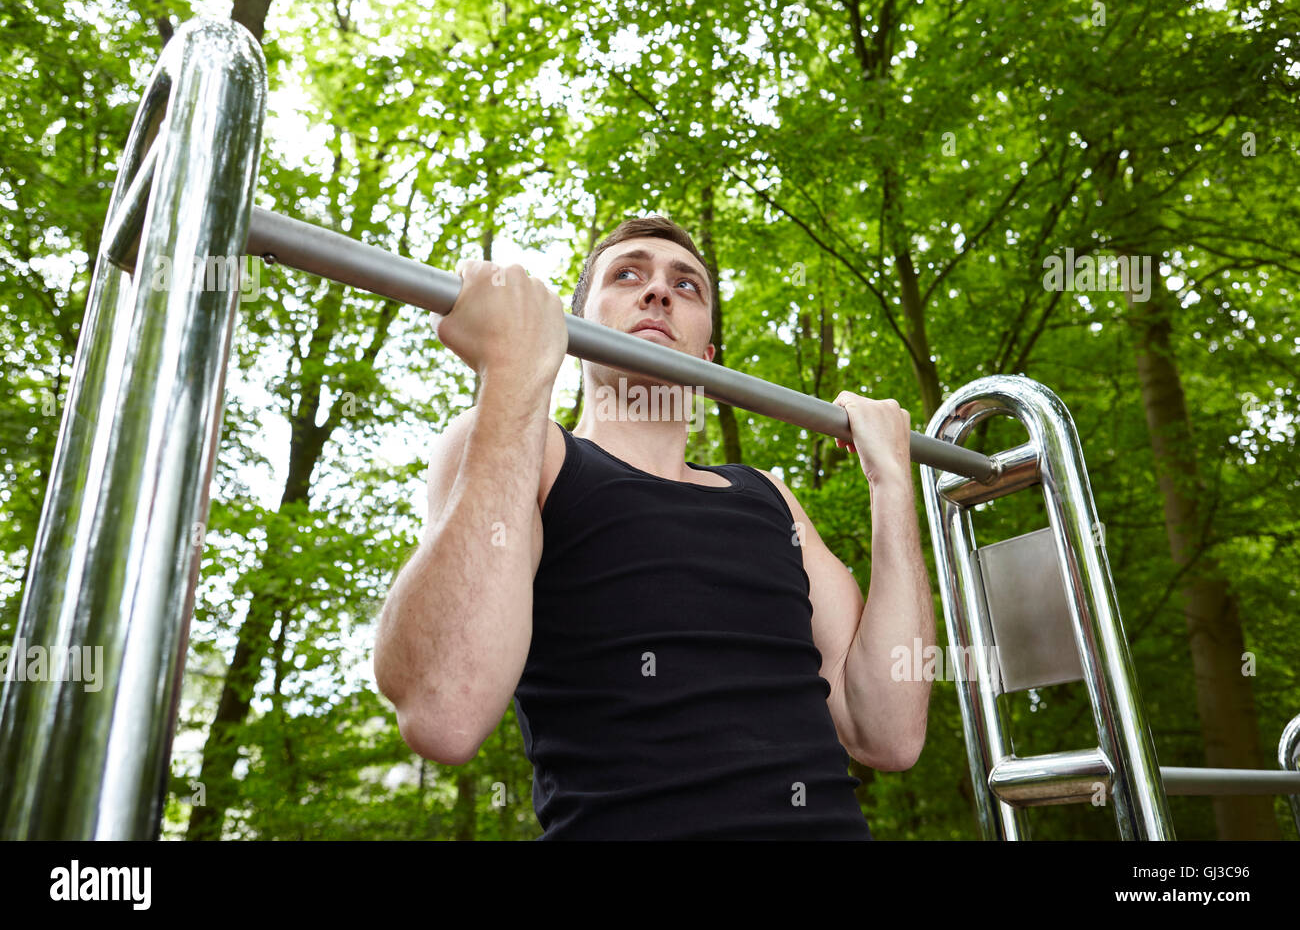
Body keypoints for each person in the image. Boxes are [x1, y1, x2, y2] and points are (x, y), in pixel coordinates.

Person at [373, 216, 936, 839]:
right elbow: (441, 709)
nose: (659, 292)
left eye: (686, 286)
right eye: (628, 274)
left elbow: (889, 732)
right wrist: (512, 372)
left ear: (706, 355)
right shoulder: (531, 453)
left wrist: (892, 486)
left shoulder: (768, 497)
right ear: (573, 327)